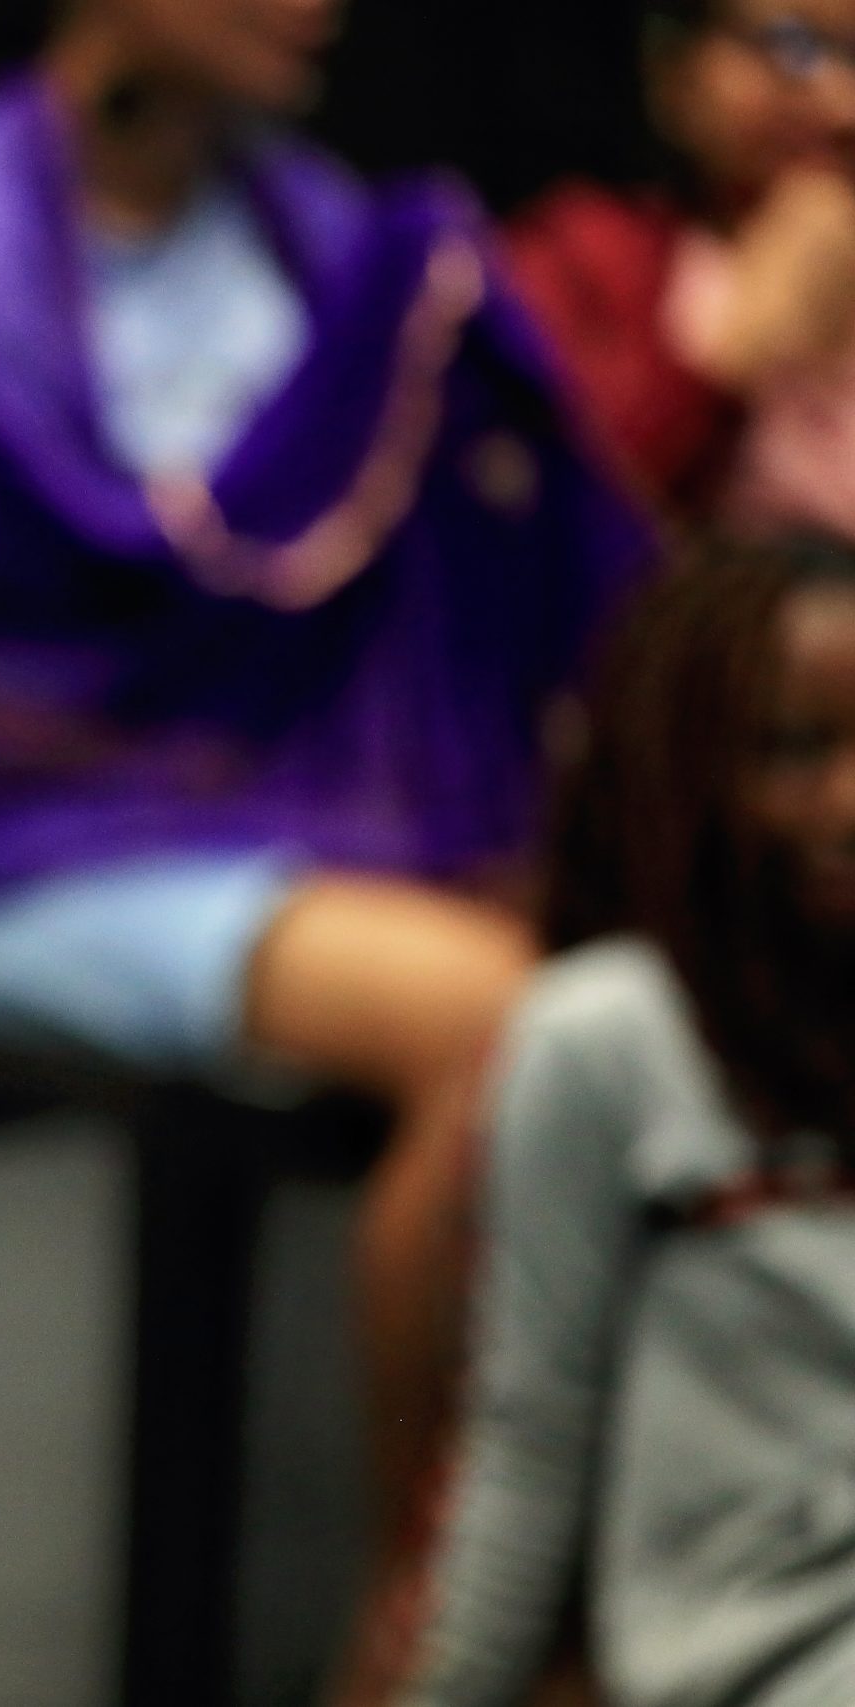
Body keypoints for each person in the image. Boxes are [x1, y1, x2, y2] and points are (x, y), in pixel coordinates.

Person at [0, 0, 654, 1582]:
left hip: (270, 831)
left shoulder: (310, 224)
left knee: (634, 966)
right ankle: (439, 1618)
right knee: (505, 1019)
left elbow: (386, 585)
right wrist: (227, 780)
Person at [379, 536, 855, 1706]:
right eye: (793, 750)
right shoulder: (608, 1037)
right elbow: (530, 1444)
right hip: (757, 1660)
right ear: (685, 776)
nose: (849, 801)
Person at [508, 0, 855, 537]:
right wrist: (733, 354)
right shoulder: (584, 255)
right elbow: (545, 517)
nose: (839, 100)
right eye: (792, 45)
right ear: (672, 70)